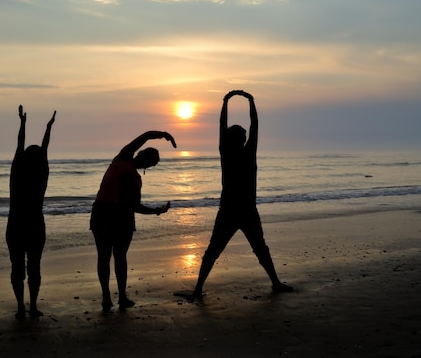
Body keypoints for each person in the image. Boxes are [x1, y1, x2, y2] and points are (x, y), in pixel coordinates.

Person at [191, 90, 292, 299]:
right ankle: (275, 282)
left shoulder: (228, 152)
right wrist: (249, 101)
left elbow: (226, 125)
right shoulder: (245, 152)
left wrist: (227, 101)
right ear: (242, 138)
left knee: (217, 250)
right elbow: (254, 125)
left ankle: (199, 288)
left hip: (234, 210)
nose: (246, 138)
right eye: (243, 136)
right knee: (257, 249)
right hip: (241, 210)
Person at [91, 131, 177, 312]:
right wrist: (162, 134)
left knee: (109, 257)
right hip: (110, 215)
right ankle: (114, 297)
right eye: (151, 163)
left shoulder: (124, 163)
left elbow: (134, 206)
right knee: (114, 257)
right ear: (145, 159)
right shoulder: (124, 161)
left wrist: (157, 211)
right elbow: (143, 137)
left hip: (110, 215)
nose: (149, 166)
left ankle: (114, 297)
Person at [6, 105, 56, 320]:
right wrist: (48, 128)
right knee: (34, 267)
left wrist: (23, 123)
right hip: (35, 224)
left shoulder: (17, 173)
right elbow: (44, 149)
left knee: (17, 267)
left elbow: (20, 146)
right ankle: (33, 307)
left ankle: (20, 307)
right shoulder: (41, 176)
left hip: (16, 225)